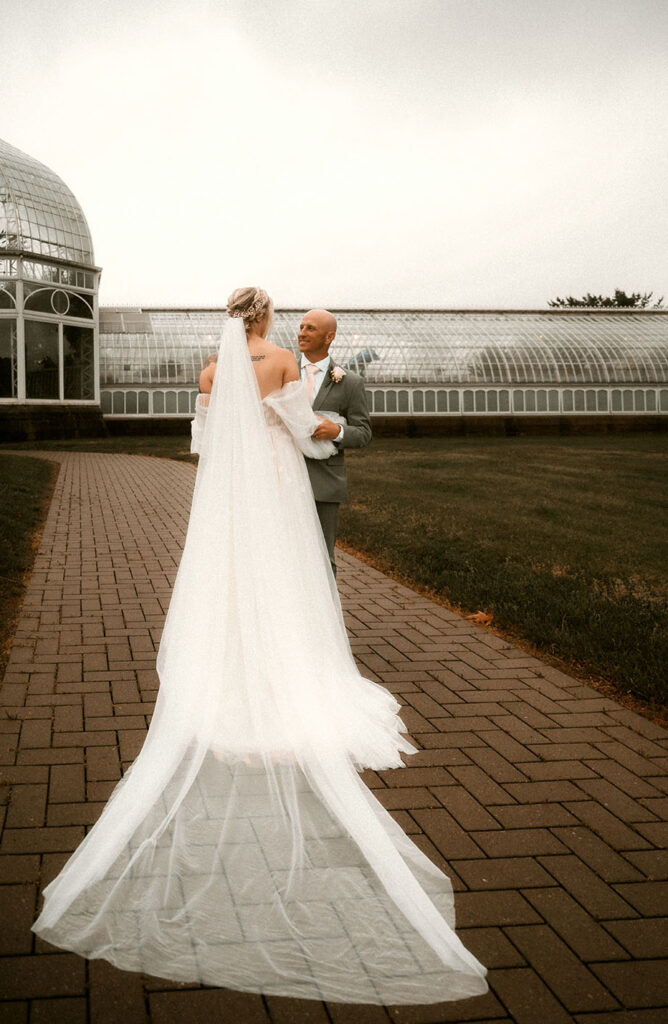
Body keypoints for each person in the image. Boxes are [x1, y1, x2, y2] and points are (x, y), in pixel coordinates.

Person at [33, 287, 487, 1006]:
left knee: (233, 578)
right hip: (276, 486)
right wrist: (305, 432)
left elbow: (204, 443)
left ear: (227, 317)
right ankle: (291, 666)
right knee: (289, 579)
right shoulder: (279, 362)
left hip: (227, 493)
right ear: (268, 318)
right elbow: (306, 433)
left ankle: (233, 668)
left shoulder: (213, 372)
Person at [298, 309, 372, 577]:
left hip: (325, 481)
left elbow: (364, 433)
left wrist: (337, 431)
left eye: (310, 328)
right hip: (282, 476)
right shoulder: (283, 374)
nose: (302, 333)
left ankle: (325, 616)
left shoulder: (349, 382)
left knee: (322, 558)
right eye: (301, 326)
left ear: (329, 337)